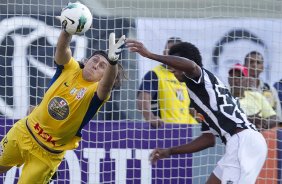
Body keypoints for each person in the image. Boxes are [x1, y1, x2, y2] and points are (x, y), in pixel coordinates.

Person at [126, 39, 267, 183]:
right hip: (242, 142)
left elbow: (192, 66)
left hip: (242, 141)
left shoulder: (199, 77)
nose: (171, 69)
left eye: (174, 64)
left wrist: (150, 55)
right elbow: (208, 139)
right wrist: (169, 151)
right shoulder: (200, 94)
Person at [0, 27, 125, 182]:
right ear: (86, 61)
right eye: (94, 60)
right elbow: (62, 48)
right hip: (22, 133)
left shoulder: (96, 93)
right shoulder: (70, 68)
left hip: (46, 155)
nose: (95, 65)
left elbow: (106, 85)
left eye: (102, 66)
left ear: (105, 75)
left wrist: (112, 63)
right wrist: (67, 29)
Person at [137, 37, 197, 128]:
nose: (167, 54)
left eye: (172, 52)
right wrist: (150, 117)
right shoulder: (154, 74)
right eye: (166, 50)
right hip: (166, 129)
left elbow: (189, 106)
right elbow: (142, 99)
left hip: (188, 128)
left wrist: (202, 119)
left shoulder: (186, 76)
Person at [228, 63, 278, 130]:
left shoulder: (256, 96)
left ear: (247, 80)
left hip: (257, 135)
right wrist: (249, 120)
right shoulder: (224, 97)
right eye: (233, 77)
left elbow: (275, 118)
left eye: (240, 77)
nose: (236, 80)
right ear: (228, 79)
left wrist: (262, 124)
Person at [244, 51, 282, 120]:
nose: (254, 65)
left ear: (262, 67)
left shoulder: (270, 89)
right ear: (244, 65)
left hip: (268, 128)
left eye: (258, 62)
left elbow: (278, 116)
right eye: (251, 62)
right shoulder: (236, 88)